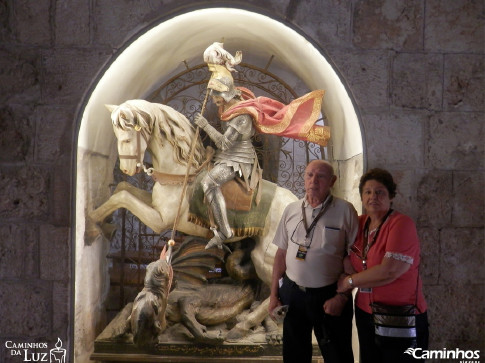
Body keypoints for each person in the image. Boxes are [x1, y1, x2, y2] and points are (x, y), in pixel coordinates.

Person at [269, 159, 358, 363]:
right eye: (309, 175)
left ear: (332, 181)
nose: (313, 180)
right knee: (294, 355)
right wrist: (273, 295)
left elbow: (352, 258)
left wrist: (342, 297)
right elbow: (281, 254)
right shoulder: (291, 210)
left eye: (321, 176)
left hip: (329, 296)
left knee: (338, 354)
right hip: (293, 294)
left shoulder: (345, 211)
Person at [337, 168, 429, 363]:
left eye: (380, 192)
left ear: (391, 196)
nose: (373, 197)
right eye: (368, 192)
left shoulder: (401, 224)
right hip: (365, 313)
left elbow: (389, 271)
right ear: (361, 197)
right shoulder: (359, 223)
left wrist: (349, 281)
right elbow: (345, 254)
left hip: (399, 315)